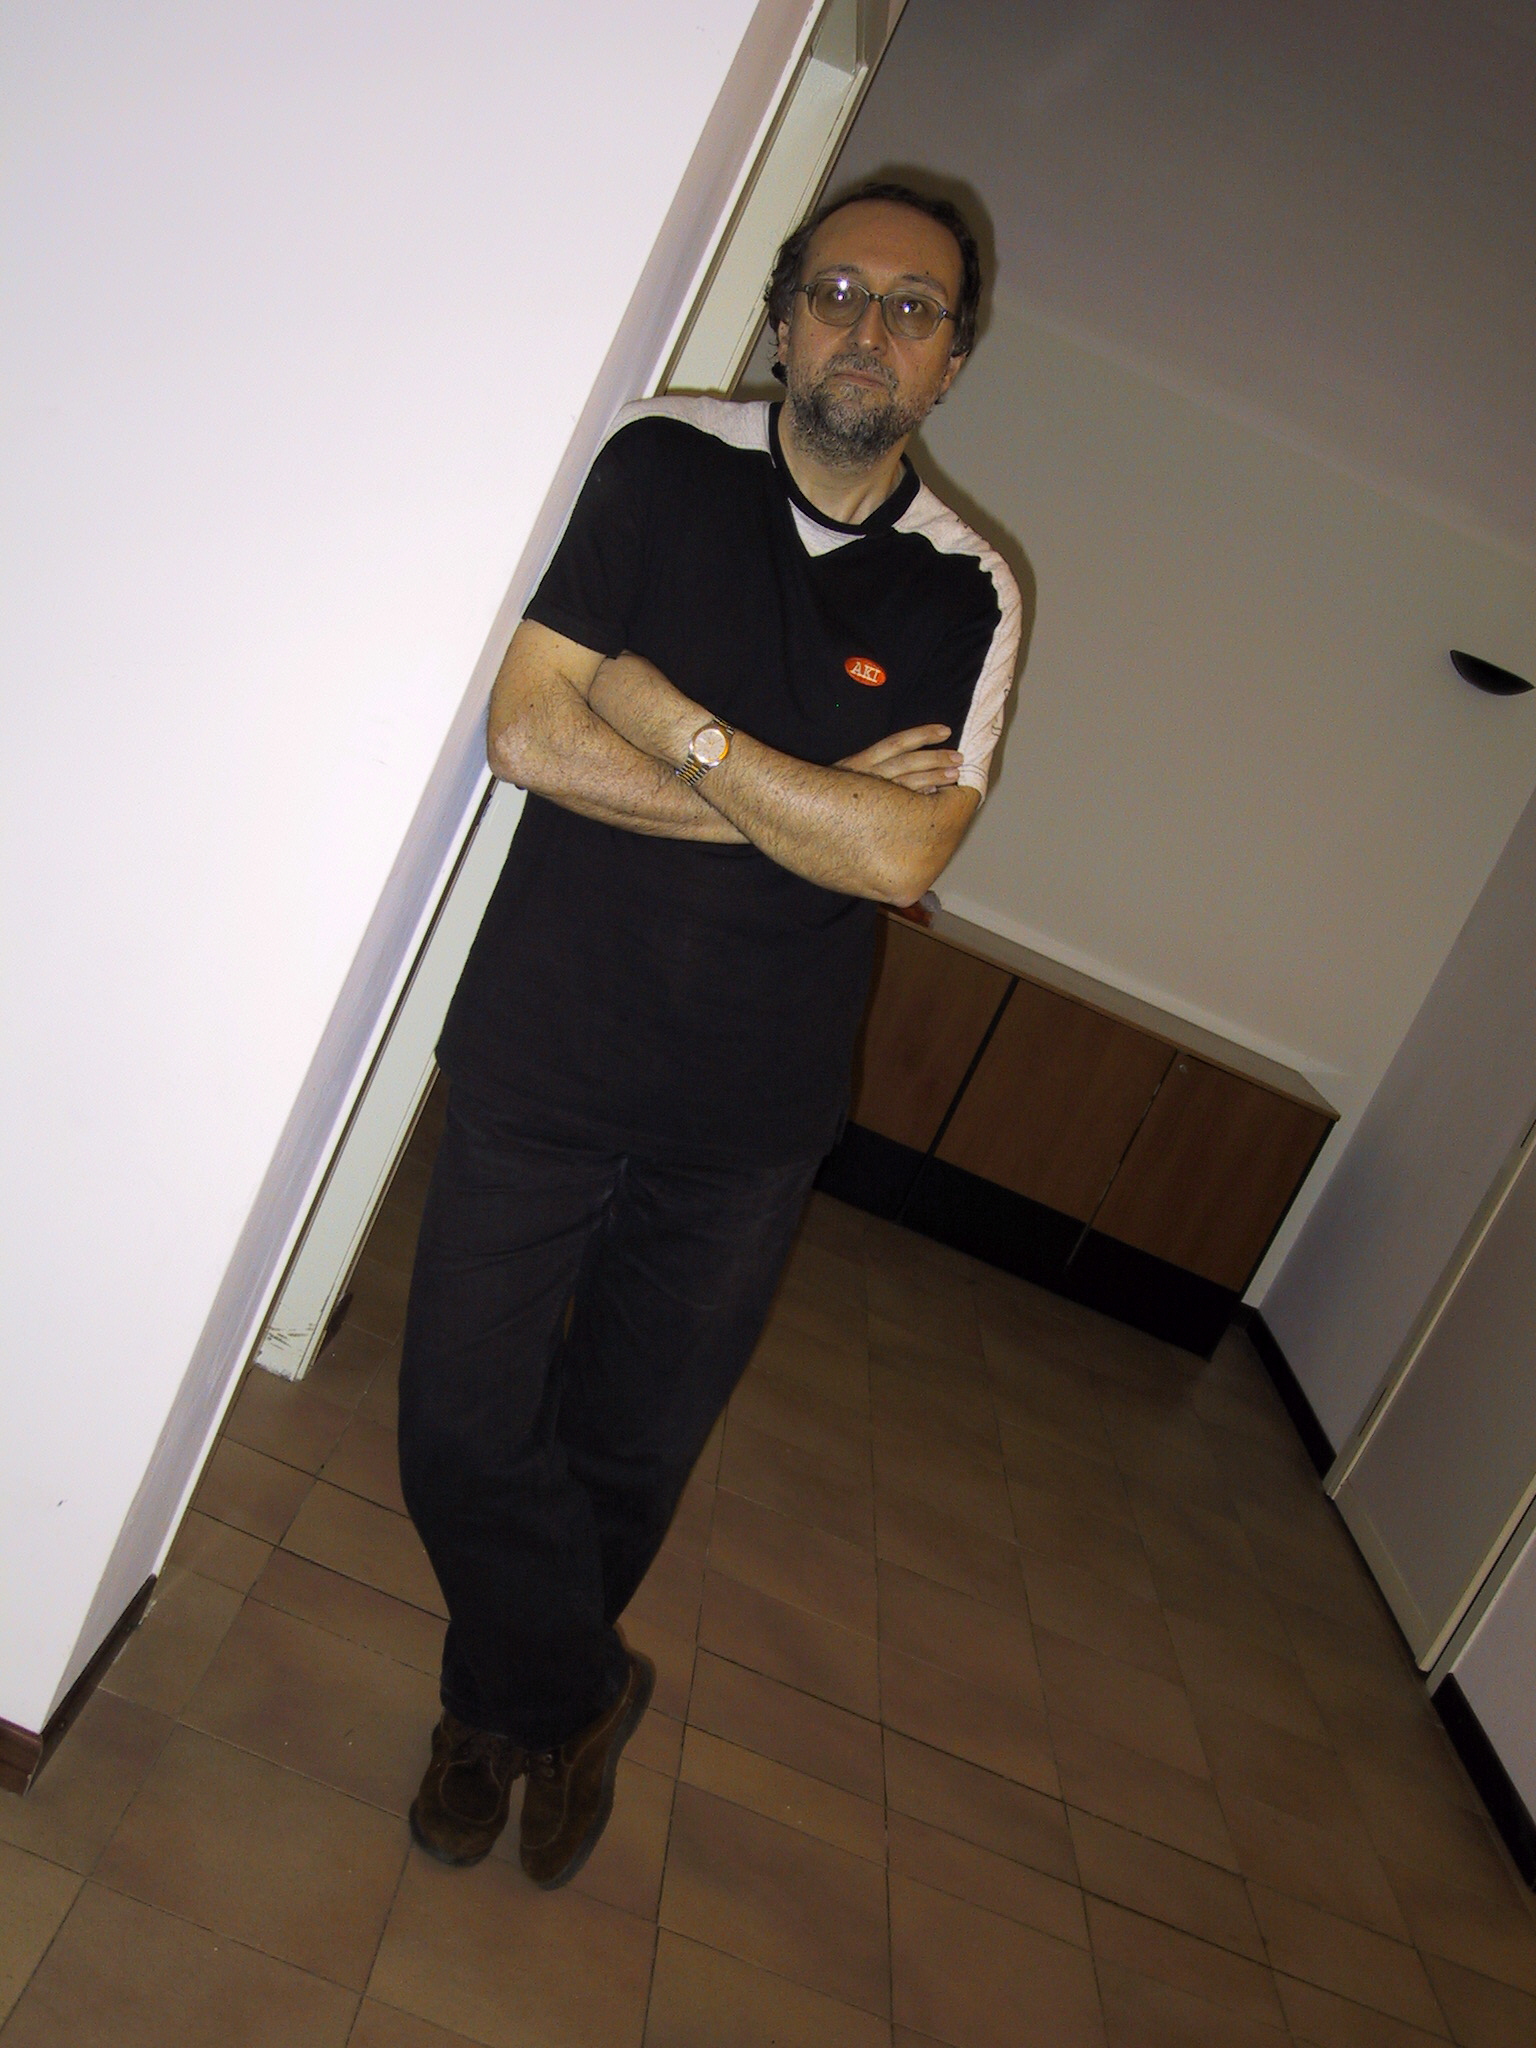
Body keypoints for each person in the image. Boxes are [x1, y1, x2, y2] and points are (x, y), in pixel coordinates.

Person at [398, 180, 1022, 1887]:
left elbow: (903, 859)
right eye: (837, 291)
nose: (868, 328)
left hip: (749, 1115)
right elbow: (528, 735)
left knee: (626, 1450)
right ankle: (581, 1691)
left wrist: (674, 723)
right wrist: (804, 803)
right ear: (782, 319)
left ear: (955, 357)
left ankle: (493, 1716)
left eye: (913, 307)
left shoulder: (968, 590)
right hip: (544, 1045)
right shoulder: (661, 462)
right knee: (459, 1428)